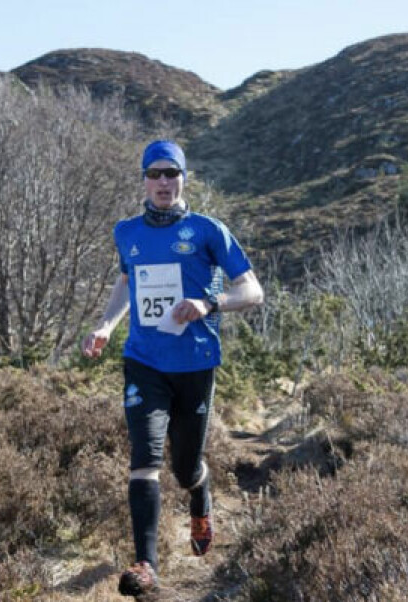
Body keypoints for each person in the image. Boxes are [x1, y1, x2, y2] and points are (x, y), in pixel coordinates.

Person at [81, 140, 264, 596]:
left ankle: (200, 494)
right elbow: (127, 281)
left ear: (184, 178)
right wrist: (106, 325)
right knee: (144, 460)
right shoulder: (127, 232)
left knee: (184, 468)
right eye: (155, 174)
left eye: (171, 174)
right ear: (144, 179)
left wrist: (209, 303)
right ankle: (146, 565)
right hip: (143, 361)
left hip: (196, 364)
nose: (163, 182)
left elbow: (253, 291)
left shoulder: (208, 230)